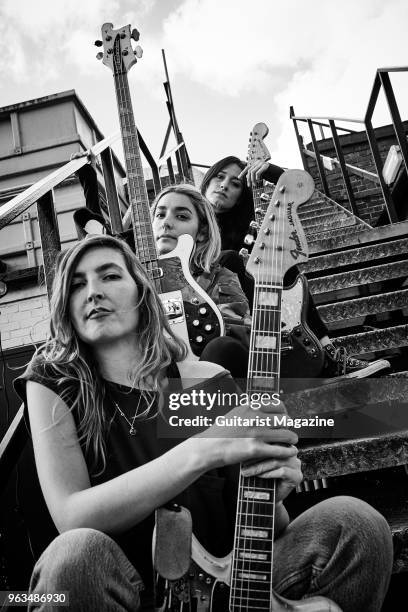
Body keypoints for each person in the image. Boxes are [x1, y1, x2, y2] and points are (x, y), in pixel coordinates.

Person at [15, 235, 393, 611]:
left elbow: (263, 528)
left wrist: (270, 492)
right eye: (77, 284)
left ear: (142, 293)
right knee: (75, 555)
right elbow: (72, 516)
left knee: (354, 522)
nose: (93, 291)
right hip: (120, 594)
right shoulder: (54, 383)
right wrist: (204, 448)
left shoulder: (203, 379)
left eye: (109, 276)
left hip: (220, 590)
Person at [200, 155, 391, 381]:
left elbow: (292, 189)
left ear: (241, 194)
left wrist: (268, 170)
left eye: (235, 183)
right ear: (207, 179)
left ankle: (328, 354)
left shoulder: (245, 225)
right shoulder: (183, 214)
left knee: (278, 260)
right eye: (220, 177)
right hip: (204, 313)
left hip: (250, 309)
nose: (224, 185)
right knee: (229, 259)